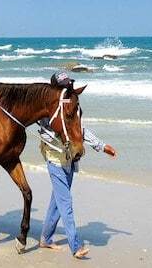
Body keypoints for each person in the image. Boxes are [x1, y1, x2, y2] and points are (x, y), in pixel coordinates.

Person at [38, 72, 117, 259]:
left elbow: (79, 130)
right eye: (64, 87)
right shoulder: (45, 110)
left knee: (57, 202)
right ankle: (75, 246)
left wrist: (101, 146)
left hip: (70, 161)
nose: (67, 90)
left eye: (68, 86)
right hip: (55, 160)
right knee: (65, 203)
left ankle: (46, 238)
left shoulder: (70, 105)